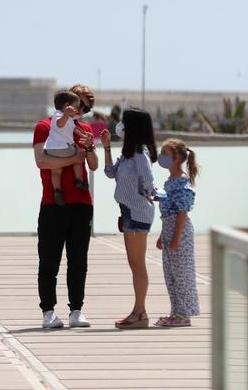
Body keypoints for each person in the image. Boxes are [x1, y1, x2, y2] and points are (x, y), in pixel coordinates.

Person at [32, 83, 98, 329]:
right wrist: (73, 159)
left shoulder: (85, 129)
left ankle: (76, 310)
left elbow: (93, 165)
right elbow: (42, 161)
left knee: (78, 259)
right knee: (49, 259)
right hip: (53, 203)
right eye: (79, 103)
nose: (82, 110)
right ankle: (48, 311)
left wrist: (90, 147)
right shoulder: (44, 126)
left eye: (87, 107)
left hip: (81, 204)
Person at [101, 108, 158, 329]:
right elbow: (109, 172)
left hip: (137, 212)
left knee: (137, 264)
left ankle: (140, 312)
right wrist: (106, 147)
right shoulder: (127, 152)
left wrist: (147, 194)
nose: (120, 125)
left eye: (124, 122)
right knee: (134, 263)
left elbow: (148, 178)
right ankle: (138, 311)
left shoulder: (139, 151)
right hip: (128, 211)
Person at [154, 138, 201, 327]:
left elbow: (182, 212)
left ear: (176, 158)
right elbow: (168, 210)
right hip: (169, 228)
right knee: (170, 274)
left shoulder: (182, 181)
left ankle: (183, 315)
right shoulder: (169, 181)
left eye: (165, 153)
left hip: (179, 231)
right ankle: (176, 312)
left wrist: (175, 238)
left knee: (182, 274)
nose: (161, 157)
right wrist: (162, 236)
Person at [44, 91, 90, 205]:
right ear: (66, 106)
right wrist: (66, 115)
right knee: (79, 156)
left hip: (51, 150)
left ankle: (57, 190)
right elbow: (60, 124)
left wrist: (84, 135)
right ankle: (79, 180)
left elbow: (75, 129)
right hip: (64, 148)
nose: (77, 110)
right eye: (75, 107)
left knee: (56, 171)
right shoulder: (59, 116)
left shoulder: (68, 118)